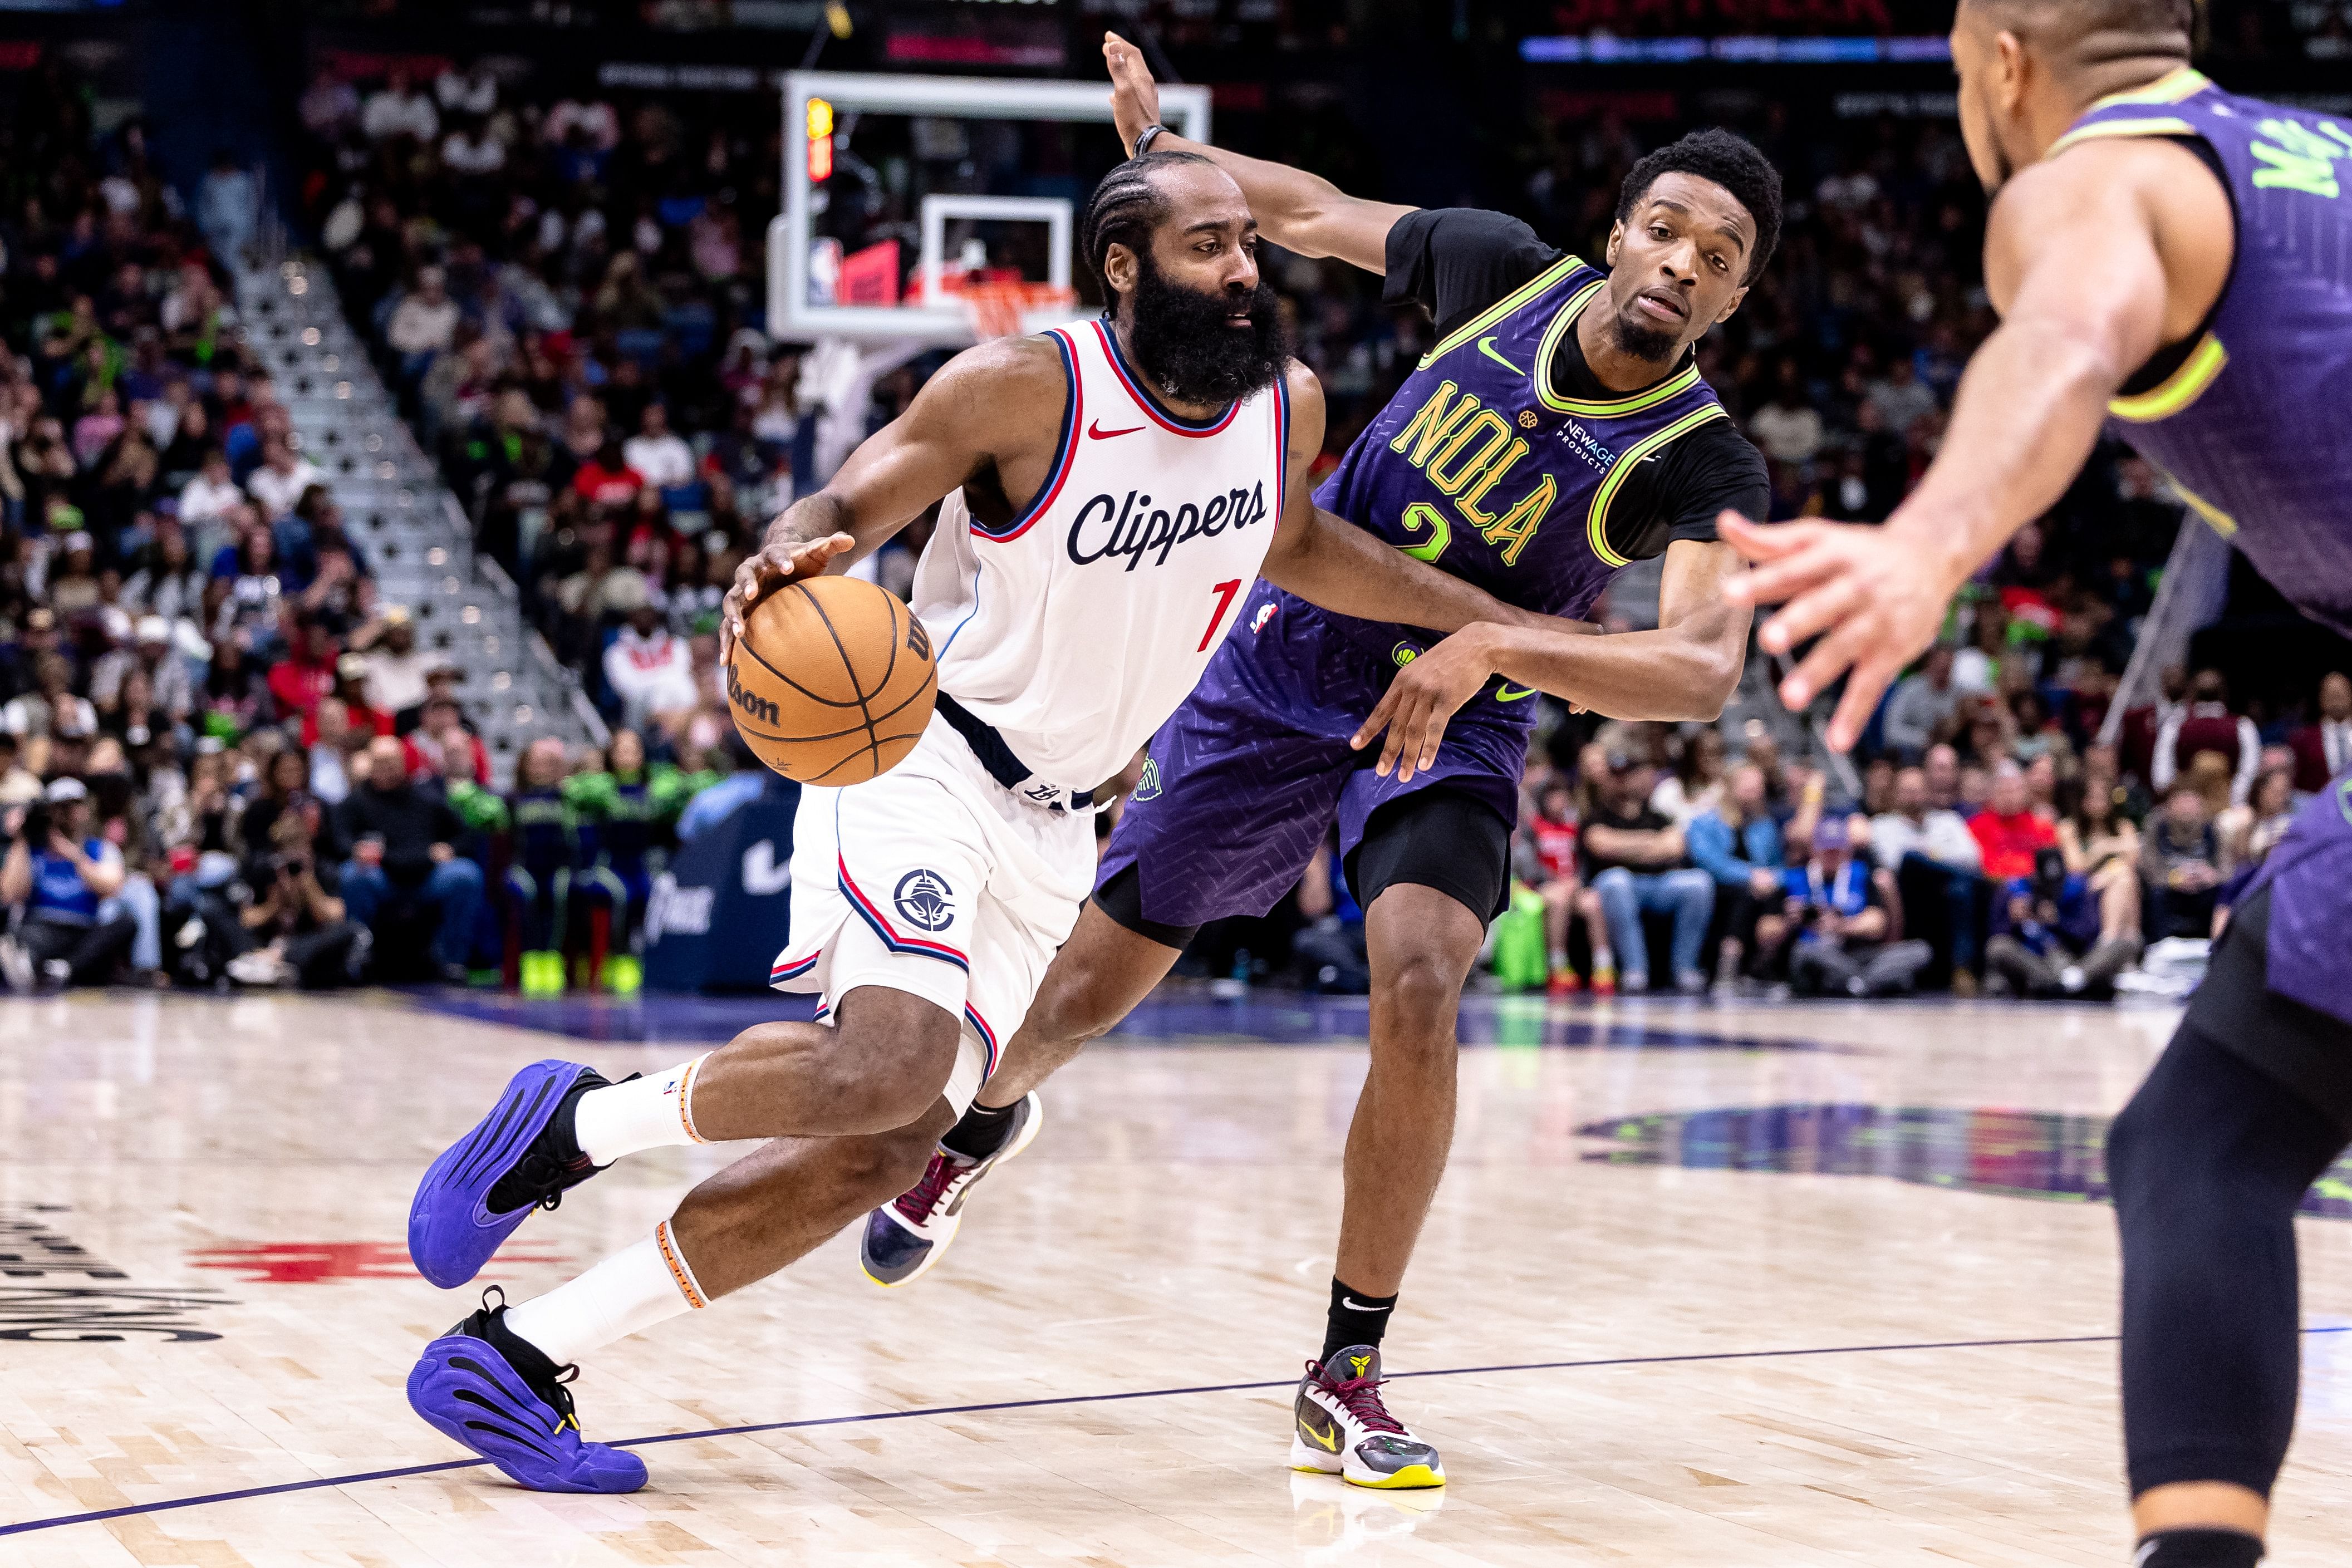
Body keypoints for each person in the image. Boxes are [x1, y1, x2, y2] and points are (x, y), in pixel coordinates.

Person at [400, 139, 1555, 1496]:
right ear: (1123, 269)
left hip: (1061, 829)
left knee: (885, 1149)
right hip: (926, 755)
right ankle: (570, 1125)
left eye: (1249, 242)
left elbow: (1292, 545)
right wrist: (791, 548)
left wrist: (1494, 623)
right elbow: (847, 498)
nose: (1245, 269)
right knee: (890, 1065)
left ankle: (518, 1358)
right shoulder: (1025, 387)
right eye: (1208, 249)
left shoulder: (1281, 402)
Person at [858, 39, 1771, 1492]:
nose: (1679, 261)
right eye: (1664, 228)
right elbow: (1299, 209)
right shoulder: (1496, 267)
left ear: (1732, 294)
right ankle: (974, 1130)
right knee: (1079, 995)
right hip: (1282, 663)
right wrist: (1168, 162)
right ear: (1619, 235)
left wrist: (1495, 654)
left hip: (1451, 713)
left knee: (1419, 980)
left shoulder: (1701, 459)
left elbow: (1703, 673)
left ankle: (1347, 1370)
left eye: (1715, 256)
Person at [1716, 2, 2352, 1556]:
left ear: (2002, 64)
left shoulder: (2100, 176)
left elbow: (2068, 333)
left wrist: (1929, 545)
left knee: (2203, 1142)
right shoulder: (2325, 152)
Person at [334, 734, 480, 981]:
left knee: (465, 875)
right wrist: (356, 850)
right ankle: (358, 958)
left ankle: (452, 961)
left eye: (392, 761)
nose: (387, 768)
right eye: (380, 761)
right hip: (382, 876)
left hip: (426, 875)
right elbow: (339, 839)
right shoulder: (355, 802)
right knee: (354, 875)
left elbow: (465, 834)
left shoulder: (427, 797)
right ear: (370, 763)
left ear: (403, 762)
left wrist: (451, 849)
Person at [0, 778, 134, 991]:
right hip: (42, 925)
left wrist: (72, 854)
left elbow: (112, 887)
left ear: (86, 809)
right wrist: (21, 838)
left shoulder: (100, 849)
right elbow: (11, 893)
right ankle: (29, 966)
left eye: (74, 805)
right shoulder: (31, 850)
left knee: (125, 923)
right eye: (60, 807)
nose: (68, 813)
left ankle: (63, 970)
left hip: (84, 930)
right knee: (21, 940)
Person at [1777, 814, 1928, 998]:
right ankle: (1869, 983)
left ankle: (1857, 984)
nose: (1832, 856)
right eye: (1827, 850)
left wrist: (1839, 926)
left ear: (1847, 851)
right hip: (1817, 951)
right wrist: (1790, 920)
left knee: (1920, 950)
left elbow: (1877, 924)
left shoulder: (1862, 874)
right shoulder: (1795, 878)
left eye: (1837, 850)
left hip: (1857, 953)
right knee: (1804, 952)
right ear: (1814, 850)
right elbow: (1765, 930)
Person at [1687, 759, 1787, 986]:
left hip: (1759, 889)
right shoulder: (1705, 823)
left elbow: (1779, 866)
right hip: (1717, 888)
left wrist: (1772, 879)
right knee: (1744, 894)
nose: (1756, 792)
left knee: (1778, 895)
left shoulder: (1765, 825)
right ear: (1731, 787)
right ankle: (1729, 964)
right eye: (1749, 787)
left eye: (1758, 788)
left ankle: (1765, 967)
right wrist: (1751, 875)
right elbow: (1709, 863)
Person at [1881, 644, 1963, 761]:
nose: (1943, 673)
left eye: (1947, 669)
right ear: (1930, 664)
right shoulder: (1910, 688)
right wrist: (1924, 739)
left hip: (1949, 754)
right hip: (1911, 755)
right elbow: (1891, 731)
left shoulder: (1960, 694)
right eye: (1940, 667)